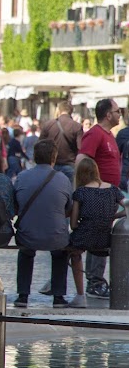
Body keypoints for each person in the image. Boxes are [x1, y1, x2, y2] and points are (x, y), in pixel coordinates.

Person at [13, 140, 73, 308]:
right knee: (60, 253)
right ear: (54, 157)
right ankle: (58, 295)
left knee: (25, 253)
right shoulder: (63, 179)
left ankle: (22, 295)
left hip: (27, 234)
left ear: (34, 156)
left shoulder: (22, 177)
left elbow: (16, 205)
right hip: (56, 236)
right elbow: (68, 208)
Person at [76, 98, 121, 301]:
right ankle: (95, 282)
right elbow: (82, 159)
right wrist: (87, 190)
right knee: (98, 234)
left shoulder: (109, 134)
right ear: (108, 114)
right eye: (117, 111)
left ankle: (98, 280)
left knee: (103, 233)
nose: (120, 114)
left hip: (108, 193)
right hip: (98, 194)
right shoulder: (95, 133)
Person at [68, 157, 125, 309]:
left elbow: (73, 225)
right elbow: (127, 208)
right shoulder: (113, 189)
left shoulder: (80, 192)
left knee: (73, 252)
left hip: (84, 238)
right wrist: (112, 216)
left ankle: (80, 295)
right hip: (105, 238)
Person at [40, 101, 82, 182]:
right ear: (71, 111)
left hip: (51, 165)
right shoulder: (76, 126)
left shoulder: (48, 125)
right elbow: (80, 147)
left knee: (52, 191)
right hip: (69, 164)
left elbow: (40, 145)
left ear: (59, 110)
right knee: (70, 192)